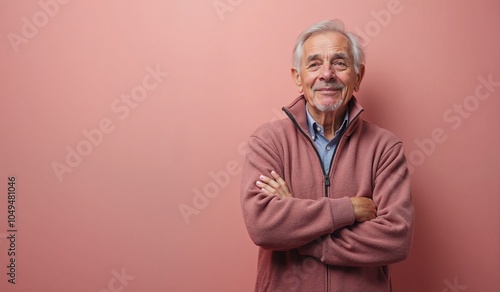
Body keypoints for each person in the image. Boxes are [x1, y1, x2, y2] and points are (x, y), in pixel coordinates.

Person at [240, 19, 414, 292]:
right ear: (298, 78)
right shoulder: (268, 141)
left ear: (358, 77)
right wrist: (349, 209)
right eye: (314, 64)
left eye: (340, 63)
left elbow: (395, 239)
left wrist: (303, 234)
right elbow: (263, 226)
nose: (327, 74)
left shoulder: (385, 148)